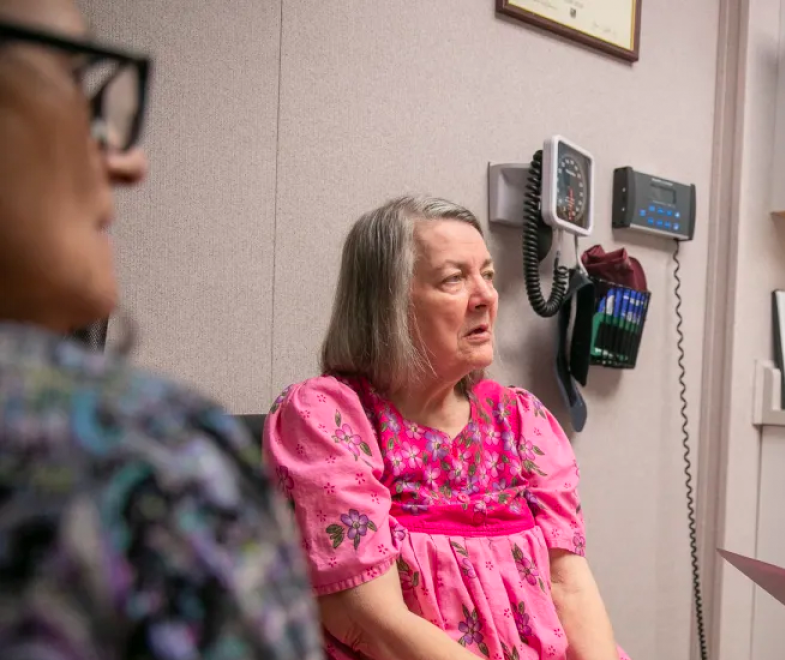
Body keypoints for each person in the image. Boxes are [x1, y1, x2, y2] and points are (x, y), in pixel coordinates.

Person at [0, 1, 324, 658]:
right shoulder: (156, 454)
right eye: (80, 95)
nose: (127, 165)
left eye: (488, 272)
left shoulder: (520, 420)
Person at [262, 195, 628, 660]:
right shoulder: (327, 417)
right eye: (454, 279)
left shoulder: (520, 419)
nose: (486, 297)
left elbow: (569, 583)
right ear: (388, 305)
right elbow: (372, 620)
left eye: (488, 275)